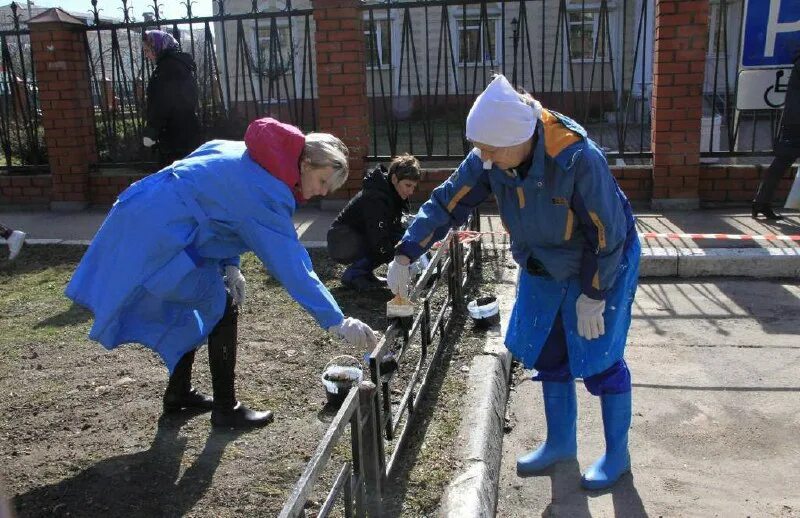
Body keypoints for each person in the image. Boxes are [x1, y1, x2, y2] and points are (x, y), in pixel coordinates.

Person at [387, 75, 640, 491]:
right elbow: (448, 201)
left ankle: (618, 456)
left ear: (520, 138)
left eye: (489, 149)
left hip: (599, 261)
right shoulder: (491, 156)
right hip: (542, 260)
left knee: (601, 357)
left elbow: (606, 232)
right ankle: (561, 443)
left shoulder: (576, 158)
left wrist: (595, 293)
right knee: (548, 350)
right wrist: (406, 251)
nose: (482, 158)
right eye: (479, 149)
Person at [66, 117, 378, 430]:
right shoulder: (267, 192)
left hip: (145, 211)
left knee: (198, 301)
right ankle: (226, 409)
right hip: (161, 235)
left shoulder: (251, 155)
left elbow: (220, 206)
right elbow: (292, 264)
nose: (321, 192)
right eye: (323, 182)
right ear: (307, 163)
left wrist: (230, 263)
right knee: (221, 306)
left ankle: (179, 395)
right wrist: (336, 320)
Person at [327, 154, 421, 289]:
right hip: (341, 240)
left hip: (357, 235)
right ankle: (354, 275)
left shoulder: (391, 194)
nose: (411, 191)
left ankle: (365, 273)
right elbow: (378, 236)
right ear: (394, 179)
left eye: (413, 187)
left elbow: (394, 229)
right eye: (408, 185)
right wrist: (399, 263)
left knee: (395, 239)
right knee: (383, 243)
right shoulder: (376, 198)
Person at [752, 46, 800, 220]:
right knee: (781, 164)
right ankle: (761, 203)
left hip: (794, 120)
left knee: (780, 164)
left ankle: (761, 202)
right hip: (796, 122)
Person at [141, 30, 201, 167]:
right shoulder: (179, 66)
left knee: (173, 182)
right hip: (186, 134)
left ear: (157, 47)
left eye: (147, 50)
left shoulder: (167, 69)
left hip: (174, 139)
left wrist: (151, 132)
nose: (146, 55)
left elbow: (162, 105)